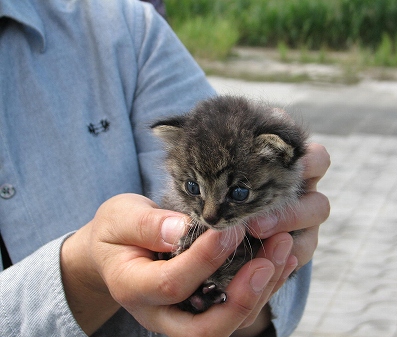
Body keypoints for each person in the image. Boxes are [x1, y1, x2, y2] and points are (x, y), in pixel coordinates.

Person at [0, 0, 330, 336]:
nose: (211, 213)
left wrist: (253, 303)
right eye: (193, 189)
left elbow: (279, 291)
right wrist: (81, 276)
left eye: (238, 192)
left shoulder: (125, 25)